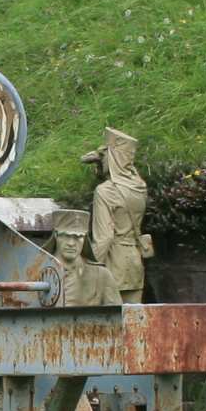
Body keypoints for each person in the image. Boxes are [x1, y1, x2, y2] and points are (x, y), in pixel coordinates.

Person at [84, 126, 150, 303]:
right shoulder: (139, 187)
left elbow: (104, 238)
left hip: (112, 265)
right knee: (132, 322)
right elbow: (120, 183)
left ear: (111, 158)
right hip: (134, 263)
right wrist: (101, 161)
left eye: (105, 156)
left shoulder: (105, 192)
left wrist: (87, 270)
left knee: (107, 325)